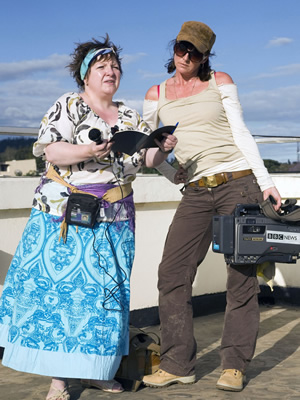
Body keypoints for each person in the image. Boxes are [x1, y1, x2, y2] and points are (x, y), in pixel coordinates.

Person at [0, 35, 177, 400]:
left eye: (115, 66)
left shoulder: (130, 116)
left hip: (115, 219)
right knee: (64, 299)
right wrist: (87, 149)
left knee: (104, 301)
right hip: (66, 217)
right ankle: (60, 381)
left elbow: (144, 163)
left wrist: (161, 149)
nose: (110, 71)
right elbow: (51, 150)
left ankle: (97, 371)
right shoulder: (68, 105)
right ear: (85, 75)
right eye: (101, 66)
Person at [142, 21, 282, 392]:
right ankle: (176, 363)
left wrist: (266, 182)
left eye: (194, 52)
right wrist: (172, 172)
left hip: (238, 183)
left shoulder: (220, 81)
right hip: (195, 191)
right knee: (172, 273)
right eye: (180, 48)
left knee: (240, 275)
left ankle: (234, 364)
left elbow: (240, 131)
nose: (185, 56)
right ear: (174, 49)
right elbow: (150, 152)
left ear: (205, 57)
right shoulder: (156, 93)